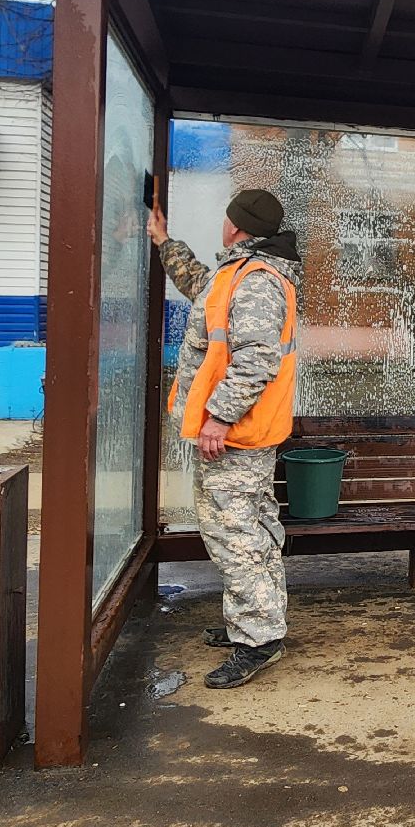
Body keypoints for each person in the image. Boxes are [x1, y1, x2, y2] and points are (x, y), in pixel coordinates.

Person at [147, 189, 303, 689]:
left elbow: (256, 361)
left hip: (236, 438)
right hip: (240, 436)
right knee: (250, 532)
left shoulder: (258, 282)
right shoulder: (237, 273)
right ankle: (257, 624)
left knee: (236, 538)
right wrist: (165, 241)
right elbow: (200, 284)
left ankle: (256, 641)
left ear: (235, 226)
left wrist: (217, 418)